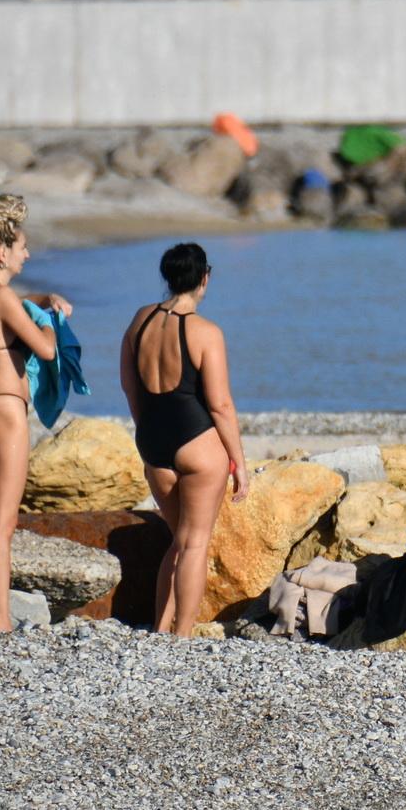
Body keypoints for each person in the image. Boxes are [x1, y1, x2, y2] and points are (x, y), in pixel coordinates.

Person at [120, 242, 249, 636]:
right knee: (195, 543)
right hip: (196, 443)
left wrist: (148, 433)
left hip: (153, 442)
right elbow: (221, 404)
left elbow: (130, 387)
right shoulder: (205, 332)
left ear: (168, 277)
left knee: (177, 541)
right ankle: (184, 636)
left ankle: (161, 629)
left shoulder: (140, 321)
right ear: (204, 279)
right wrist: (239, 463)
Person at [0, 194, 72, 632]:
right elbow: (44, 348)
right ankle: (2, 623)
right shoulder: (3, 297)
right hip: (7, 414)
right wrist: (51, 319)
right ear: (3, 251)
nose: (27, 254)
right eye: (22, 247)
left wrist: (41, 296)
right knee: (2, 526)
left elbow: (10, 303)